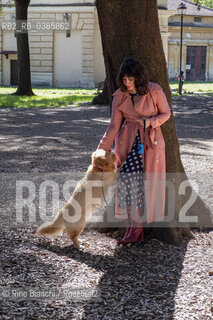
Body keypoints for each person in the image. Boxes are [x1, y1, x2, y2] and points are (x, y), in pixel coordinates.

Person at [97, 57, 171, 245]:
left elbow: (166, 113)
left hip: (150, 141)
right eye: (124, 80)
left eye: (130, 79)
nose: (127, 83)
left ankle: (135, 228)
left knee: (138, 183)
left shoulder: (154, 90)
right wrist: (101, 151)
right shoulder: (119, 95)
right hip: (128, 142)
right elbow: (113, 126)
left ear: (138, 77)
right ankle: (133, 227)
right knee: (127, 181)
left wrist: (151, 122)